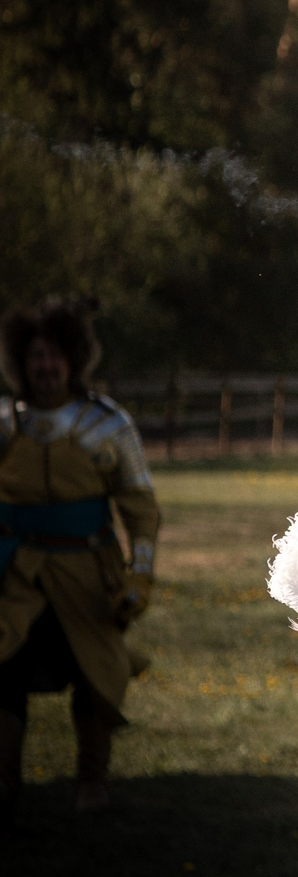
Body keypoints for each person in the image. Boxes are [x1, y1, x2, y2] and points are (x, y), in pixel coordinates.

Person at [0, 294, 161, 822]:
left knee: (96, 674)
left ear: (72, 359)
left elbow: (140, 509)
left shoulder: (107, 425)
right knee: (5, 669)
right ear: (22, 362)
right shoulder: (5, 424)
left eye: (54, 356)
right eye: (35, 357)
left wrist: (139, 574)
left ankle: (92, 781)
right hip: (16, 576)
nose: (44, 368)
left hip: (89, 577)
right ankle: (5, 785)